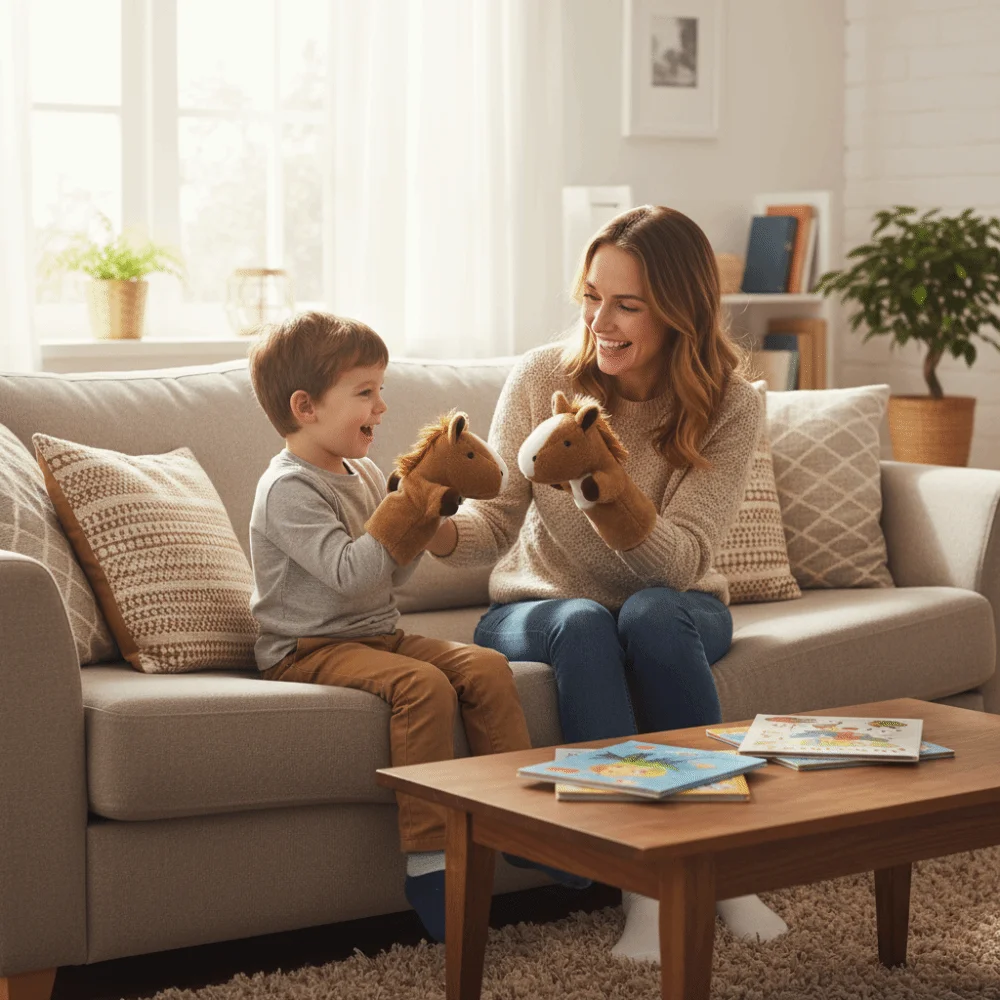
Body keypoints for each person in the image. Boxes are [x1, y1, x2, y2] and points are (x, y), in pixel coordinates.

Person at [428, 207, 789, 955]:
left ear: (680, 311)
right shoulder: (541, 378)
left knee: (651, 615)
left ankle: (719, 860)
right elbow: (495, 523)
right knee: (588, 622)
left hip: (680, 604)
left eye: (627, 304)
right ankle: (644, 884)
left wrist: (604, 484)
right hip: (542, 604)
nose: (601, 321)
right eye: (592, 296)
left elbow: (682, 561)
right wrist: (430, 528)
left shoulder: (730, 403)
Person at [246, 311, 588, 945]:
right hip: (308, 647)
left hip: (376, 632)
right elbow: (349, 576)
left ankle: (519, 822)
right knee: (421, 688)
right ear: (306, 406)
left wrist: (421, 520)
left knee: (487, 667)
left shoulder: (368, 474)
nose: (383, 404)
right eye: (365, 391)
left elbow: (389, 582)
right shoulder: (287, 490)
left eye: (382, 387)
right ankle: (430, 861)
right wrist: (406, 507)